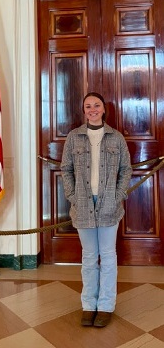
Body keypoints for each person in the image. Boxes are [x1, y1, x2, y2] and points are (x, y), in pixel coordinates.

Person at [60, 92, 131, 328]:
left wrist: (118, 195)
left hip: (109, 204)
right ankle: (89, 304)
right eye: (88, 106)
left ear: (103, 109)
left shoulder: (116, 138)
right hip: (82, 204)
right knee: (89, 257)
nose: (92, 109)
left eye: (96, 105)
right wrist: (72, 196)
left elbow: (126, 170)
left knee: (108, 256)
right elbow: (66, 169)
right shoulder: (74, 137)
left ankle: (106, 306)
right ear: (84, 110)